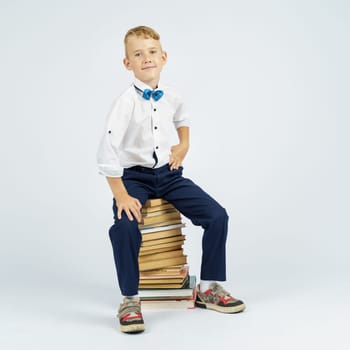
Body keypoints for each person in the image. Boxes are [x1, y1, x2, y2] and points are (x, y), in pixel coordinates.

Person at [97, 25, 245, 334]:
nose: (146, 58)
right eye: (138, 54)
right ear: (128, 64)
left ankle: (208, 288)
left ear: (163, 57)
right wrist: (121, 195)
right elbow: (107, 151)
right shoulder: (124, 103)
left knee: (217, 216)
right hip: (134, 178)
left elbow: (183, 118)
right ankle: (130, 300)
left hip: (169, 174)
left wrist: (184, 144)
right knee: (124, 227)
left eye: (152, 52)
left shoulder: (172, 95)